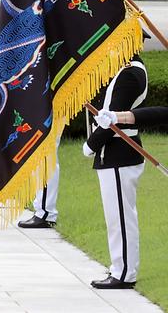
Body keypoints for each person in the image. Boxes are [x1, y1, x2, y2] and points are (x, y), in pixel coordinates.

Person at [82, 54, 149, 290]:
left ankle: (124, 272)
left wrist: (91, 144)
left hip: (120, 153)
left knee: (121, 217)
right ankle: (119, 266)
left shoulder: (130, 73)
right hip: (113, 154)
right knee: (116, 217)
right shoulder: (120, 68)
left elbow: (116, 118)